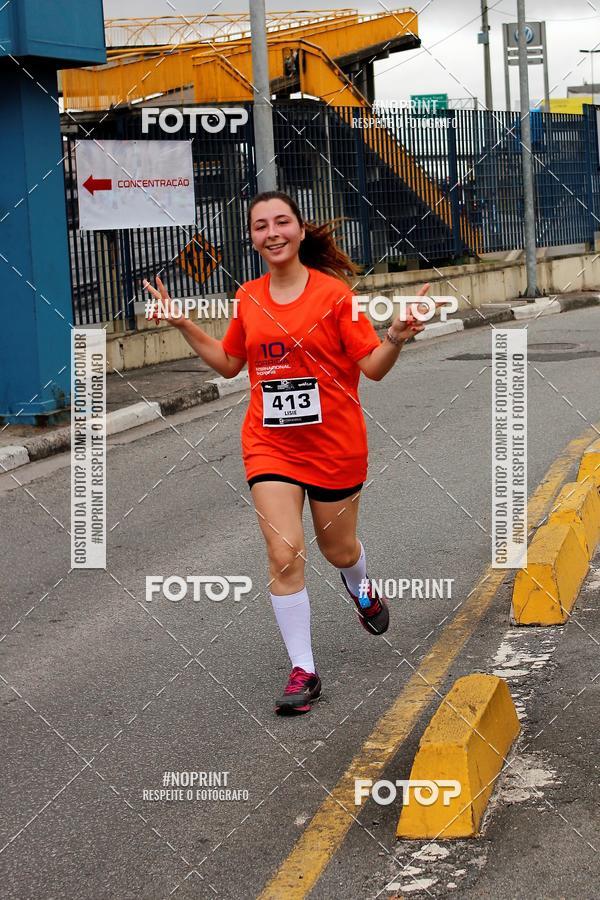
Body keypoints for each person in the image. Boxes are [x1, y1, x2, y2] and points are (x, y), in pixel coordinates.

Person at [143, 190, 430, 716]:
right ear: (252, 239)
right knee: (284, 552)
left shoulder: (334, 296)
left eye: (281, 222)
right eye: (260, 226)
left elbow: (372, 367)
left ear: (299, 231)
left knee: (337, 551)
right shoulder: (248, 298)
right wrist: (184, 324)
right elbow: (230, 363)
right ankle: (304, 670)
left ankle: (361, 586)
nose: (271, 232)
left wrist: (395, 336)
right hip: (269, 445)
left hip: (335, 447)